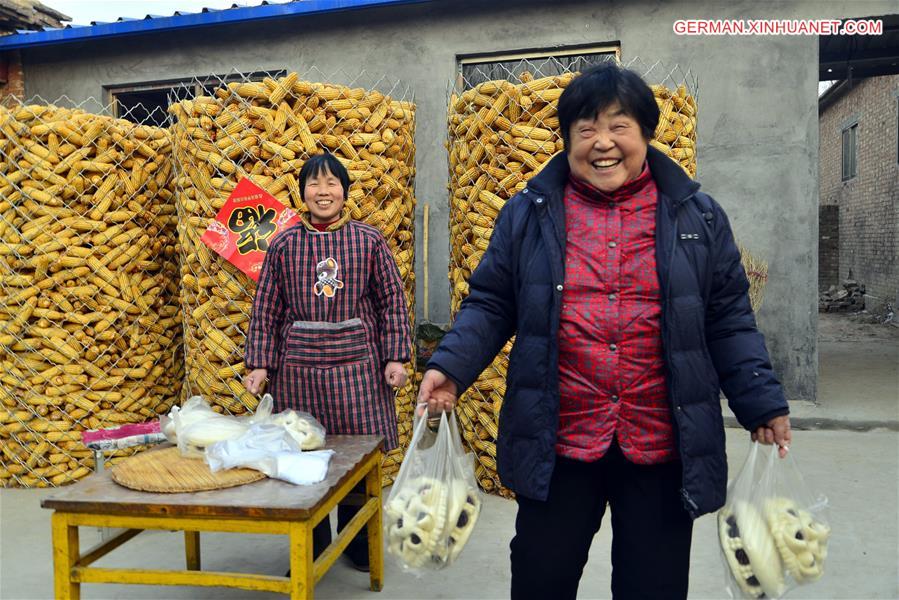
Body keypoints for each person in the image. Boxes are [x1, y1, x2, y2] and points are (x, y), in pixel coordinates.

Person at [418, 63, 791, 600]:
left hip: (660, 439)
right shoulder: (528, 215)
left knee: (653, 586)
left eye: (620, 126)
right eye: (586, 129)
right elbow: (492, 302)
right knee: (541, 579)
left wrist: (761, 401)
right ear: (567, 138)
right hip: (561, 438)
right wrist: (450, 367)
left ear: (646, 134)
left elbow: (728, 318)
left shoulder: (698, 218)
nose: (603, 143)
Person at [244, 151, 411, 571]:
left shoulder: (368, 240)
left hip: (357, 367)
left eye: (332, 183)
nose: (323, 192)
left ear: (345, 191)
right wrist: (260, 364)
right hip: (298, 369)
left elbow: (392, 301)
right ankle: (312, 541)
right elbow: (266, 306)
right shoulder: (284, 243)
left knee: (354, 459)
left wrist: (395, 356)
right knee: (302, 458)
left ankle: (356, 541)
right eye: (314, 184)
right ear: (302, 192)